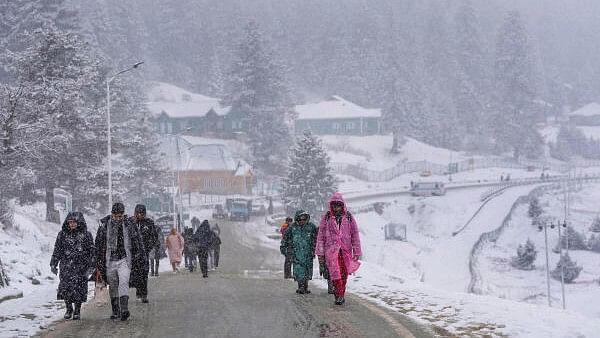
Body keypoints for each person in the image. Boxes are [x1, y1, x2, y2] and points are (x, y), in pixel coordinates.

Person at [95, 202, 147, 321]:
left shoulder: (129, 225)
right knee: (113, 285)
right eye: (116, 216)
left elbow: (137, 241)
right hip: (109, 260)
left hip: (124, 259)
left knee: (124, 281)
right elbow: (98, 244)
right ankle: (115, 310)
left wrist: (140, 255)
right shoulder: (104, 226)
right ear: (112, 214)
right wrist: (97, 260)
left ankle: (124, 308)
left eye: (120, 215)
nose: (118, 218)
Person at [316, 192, 362, 305]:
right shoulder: (326, 218)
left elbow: (355, 234)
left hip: (345, 251)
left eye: (339, 205)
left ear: (342, 205)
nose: (336, 208)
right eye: (334, 205)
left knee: (344, 274)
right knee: (335, 274)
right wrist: (320, 253)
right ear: (331, 205)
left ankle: (341, 293)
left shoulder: (349, 217)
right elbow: (321, 236)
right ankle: (339, 295)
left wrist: (357, 251)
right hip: (331, 252)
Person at [50, 212, 95, 320]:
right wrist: (53, 263)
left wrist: (92, 264)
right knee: (66, 288)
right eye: (70, 222)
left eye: (74, 222)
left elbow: (91, 251)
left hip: (81, 266)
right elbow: (57, 250)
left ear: (79, 222)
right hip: (66, 266)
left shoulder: (86, 235)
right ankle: (68, 308)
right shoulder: (62, 234)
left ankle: (77, 310)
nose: (72, 224)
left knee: (79, 288)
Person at [280, 210, 317, 294]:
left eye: (304, 219)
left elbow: (316, 239)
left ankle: (305, 286)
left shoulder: (311, 227)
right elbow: (285, 238)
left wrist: (314, 249)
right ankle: (301, 286)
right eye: (300, 219)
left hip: (308, 253)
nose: (302, 221)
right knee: (299, 270)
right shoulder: (292, 228)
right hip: (296, 253)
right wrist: (284, 248)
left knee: (307, 271)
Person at [130, 204, 159, 303]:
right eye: (138, 213)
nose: (140, 215)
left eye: (142, 213)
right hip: (133, 254)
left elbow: (154, 236)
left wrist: (148, 247)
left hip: (144, 253)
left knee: (144, 273)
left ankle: (144, 294)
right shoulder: (130, 222)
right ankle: (138, 293)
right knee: (136, 274)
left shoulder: (149, 223)